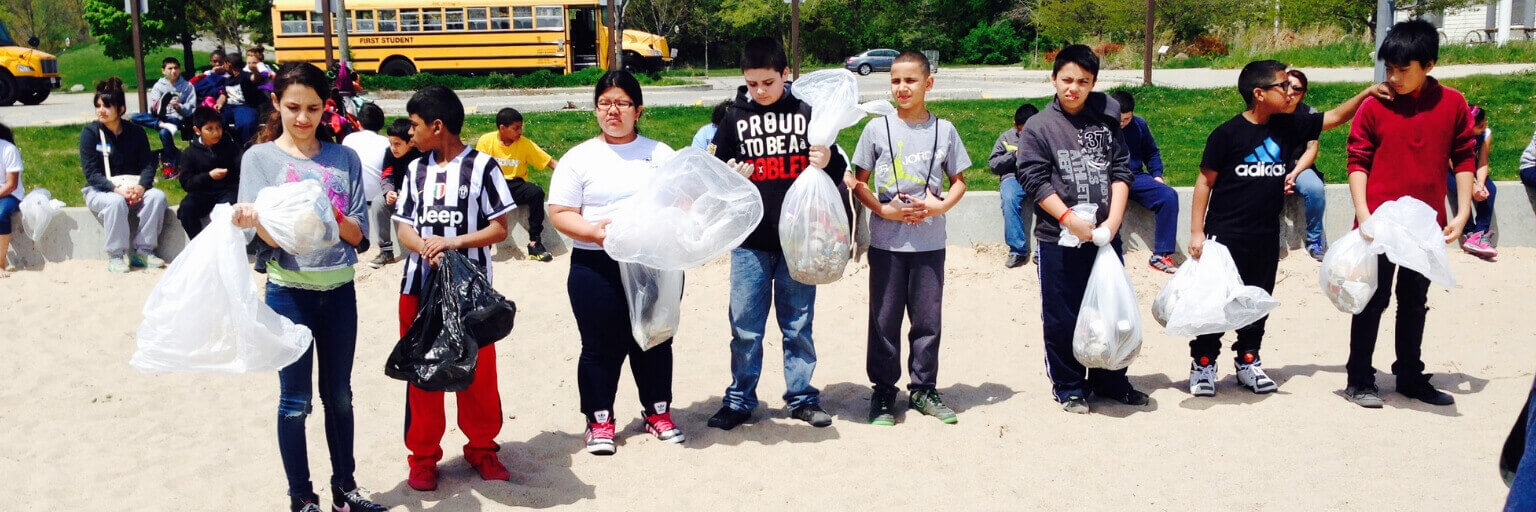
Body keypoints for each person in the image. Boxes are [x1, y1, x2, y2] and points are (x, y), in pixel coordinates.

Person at [229, 62, 387, 512]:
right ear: (276, 104)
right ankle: (301, 496)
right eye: (293, 107)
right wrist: (255, 221)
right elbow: (261, 234)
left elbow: (359, 236)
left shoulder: (344, 159)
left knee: (339, 395)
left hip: (339, 291)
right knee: (294, 400)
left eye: (313, 108)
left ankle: (346, 489)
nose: (303, 118)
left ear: (326, 107)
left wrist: (325, 211)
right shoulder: (258, 159)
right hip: (288, 295)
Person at [1187, 60, 1389, 397]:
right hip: (1226, 235)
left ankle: (1248, 360)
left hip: (1266, 235)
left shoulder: (1288, 126)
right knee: (1217, 301)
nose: (1290, 90)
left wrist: (1368, 92)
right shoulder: (1226, 134)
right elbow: (1204, 183)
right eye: (1283, 85)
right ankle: (1203, 363)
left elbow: (1335, 117)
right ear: (1260, 94)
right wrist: (1196, 232)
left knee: (1259, 301)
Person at [706, 36, 848, 430]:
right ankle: (739, 399)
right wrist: (729, 177)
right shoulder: (734, 118)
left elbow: (838, 171)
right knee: (745, 327)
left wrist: (829, 159)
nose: (760, 91)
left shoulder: (808, 113)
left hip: (800, 241)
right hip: (750, 240)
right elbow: (714, 176)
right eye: (751, 84)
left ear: (786, 75)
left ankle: (801, 397)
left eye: (768, 82)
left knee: (798, 324)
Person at [548, 71, 684, 455]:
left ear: (637, 110)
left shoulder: (660, 154)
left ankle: (657, 411)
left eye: (622, 103)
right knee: (600, 346)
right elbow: (560, 211)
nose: (613, 110)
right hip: (597, 264)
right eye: (605, 103)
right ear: (595, 110)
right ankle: (599, 420)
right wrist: (594, 232)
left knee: (655, 338)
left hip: (653, 262)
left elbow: (681, 201)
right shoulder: (579, 158)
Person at [1344, 19, 1477, 408]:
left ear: (1429, 65)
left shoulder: (1452, 103)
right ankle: (1359, 378)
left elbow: (1464, 156)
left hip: (1425, 224)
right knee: (1372, 297)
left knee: (1414, 299)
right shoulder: (1374, 105)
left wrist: (1463, 207)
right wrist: (1363, 213)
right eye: (1390, 68)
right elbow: (1357, 160)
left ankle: (1409, 376)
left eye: (1404, 69)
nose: (1394, 77)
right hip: (1378, 223)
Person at [392, 85, 517, 491]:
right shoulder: (414, 170)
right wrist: (425, 247)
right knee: (422, 372)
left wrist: (452, 243)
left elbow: (500, 227)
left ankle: (482, 448)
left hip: (470, 294)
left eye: (415, 126)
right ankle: (423, 457)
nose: (411, 135)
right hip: (419, 289)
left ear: (437, 125)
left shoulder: (483, 168)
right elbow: (404, 227)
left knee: (478, 374)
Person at [1016, 44, 1146, 414]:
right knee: (1063, 314)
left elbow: (1121, 169)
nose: (1073, 88)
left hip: (1105, 237)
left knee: (1112, 310)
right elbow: (1034, 180)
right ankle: (1069, 384)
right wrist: (1069, 220)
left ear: (1093, 83)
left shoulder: (1107, 117)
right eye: (1067, 79)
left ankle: (1111, 380)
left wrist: (1113, 221)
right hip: (1059, 238)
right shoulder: (1040, 126)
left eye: (1083, 82)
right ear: (1053, 79)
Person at [850, 51, 970, 425]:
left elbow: (960, 182)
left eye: (910, 80)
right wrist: (883, 210)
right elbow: (859, 183)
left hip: (929, 244)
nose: (902, 88)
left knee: (927, 319)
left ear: (928, 84)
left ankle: (923, 388)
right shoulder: (877, 129)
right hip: (887, 244)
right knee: (884, 319)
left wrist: (938, 207)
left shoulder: (944, 130)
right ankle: (884, 391)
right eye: (895, 81)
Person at [79, 77, 169, 274]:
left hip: (132, 186)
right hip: (101, 190)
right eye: (98, 106)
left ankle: (143, 251)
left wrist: (141, 187)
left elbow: (148, 165)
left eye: (106, 106)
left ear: (121, 109)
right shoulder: (90, 133)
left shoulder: (136, 133)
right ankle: (116, 255)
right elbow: (91, 173)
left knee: (157, 197)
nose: (101, 110)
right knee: (115, 203)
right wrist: (116, 190)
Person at [474, 107, 558, 262]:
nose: (520, 131)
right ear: (502, 128)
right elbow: (478, 169)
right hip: (495, 185)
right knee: (478, 197)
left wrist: (573, 173)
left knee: (536, 192)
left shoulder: (524, 143)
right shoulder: (486, 141)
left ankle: (535, 243)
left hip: (516, 186)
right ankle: (481, 246)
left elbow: (550, 162)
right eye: (516, 128)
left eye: (521, 127)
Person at [1111, 90, 1181, 273]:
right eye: (1119, 119)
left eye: (1126, 119)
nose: (1122, 123)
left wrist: (1157, 174)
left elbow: (1151, 152)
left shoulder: (1139, 124)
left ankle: (1160, 254)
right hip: (1108, 178)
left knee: (1168, 196)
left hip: (1135, 176)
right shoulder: (1099, 126)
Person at [341, 103, 397, 268]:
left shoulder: (349, 139)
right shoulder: (386, 142)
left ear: (359, 123)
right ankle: (385, 250)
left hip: (354, 201)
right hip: (381, 198)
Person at [1282, 69, 1330, 261]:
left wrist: (1293, 174)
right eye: (1286, 86)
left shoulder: (1310, 114)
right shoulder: (1268, 111)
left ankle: (1314, 242)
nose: (1291, 92)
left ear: (1304, 93)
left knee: (1315, 188)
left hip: (1299, 166)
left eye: (1297, 88)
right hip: (1270, 167)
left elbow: (1311, 149)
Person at [175, 106, 242, 238]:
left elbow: (241, 169)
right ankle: (198, 243)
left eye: (218, 127)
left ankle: (226, 244)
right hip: (202, 192)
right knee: (186, 208)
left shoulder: (231, 147)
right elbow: (187, 183)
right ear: (197, 130)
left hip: (227, 191)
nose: (216, 133)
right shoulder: (189, 153)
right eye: (209, 129)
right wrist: (209, 176)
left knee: (226, 209)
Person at [989, 103, 1038, 268]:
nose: (1025, 134)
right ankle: (1018, 250)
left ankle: (1042, 249)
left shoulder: (1044, 135)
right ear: (1015, 125)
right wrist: (1013, 156)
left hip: (1039, 177)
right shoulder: (1006, 138)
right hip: (1013, 178)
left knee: (1051, 200)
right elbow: (993, 164)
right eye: (1021, 131)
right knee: (1009, 198)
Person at [129, 57, 196, 176]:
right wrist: (158, 107)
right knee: (134, 116)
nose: (173, 71)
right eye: (170, 68)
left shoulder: (187, 86)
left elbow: (191, 109)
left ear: (180, 70)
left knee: (164, 133)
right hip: (160, 117)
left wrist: (179, 106)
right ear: (163, 70)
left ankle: (171, 165)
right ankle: (161, 123)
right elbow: (152, 107)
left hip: (176, 117)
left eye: (176, 68)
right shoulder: (158, 86)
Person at [1447, 105, 1497, 259]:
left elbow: (1482, 162)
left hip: (1471, 169)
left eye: (1485, 123)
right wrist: (1472, 185)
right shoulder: (1455, 134)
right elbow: (1453, 162)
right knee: (1459, 188)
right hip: (1451, 169)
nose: (1485, 127)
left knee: (1490, 189)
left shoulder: (1486, 134)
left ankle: (1480, 233)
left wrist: (1480, 184)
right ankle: (1468, 231)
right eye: (1480, 126)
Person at [217, 49, 273, 146]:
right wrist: (219, 104)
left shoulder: (245, 76)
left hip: (245, 107)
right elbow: (224, 94)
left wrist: (255, 70)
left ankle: (246, 146)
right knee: (216, 120)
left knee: (246, 123)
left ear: (228, 64)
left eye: (224, 64)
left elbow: (255, 78)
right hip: (229, 108)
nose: (223, 66)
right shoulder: (228, 80)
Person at [0, 122, 20, 278]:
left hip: (10, 194)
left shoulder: (8, 149)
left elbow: (11, 185)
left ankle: (1, 263)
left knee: (1, 214)